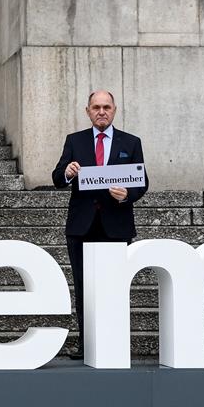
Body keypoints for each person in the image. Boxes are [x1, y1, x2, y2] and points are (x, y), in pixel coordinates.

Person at [50, 89, 149, 357]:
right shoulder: (75, 140)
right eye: (96, 107)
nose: (101, 112)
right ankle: (87, 345)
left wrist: (127, 194)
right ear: (88, 111)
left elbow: (142, 182)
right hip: (81, 226)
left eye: (106, 107)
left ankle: (114, 344)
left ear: (114, 110)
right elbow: (57, 178)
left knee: (115, 287)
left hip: (116, 225)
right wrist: (67, 173)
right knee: (84, 288)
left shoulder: (131, 142)